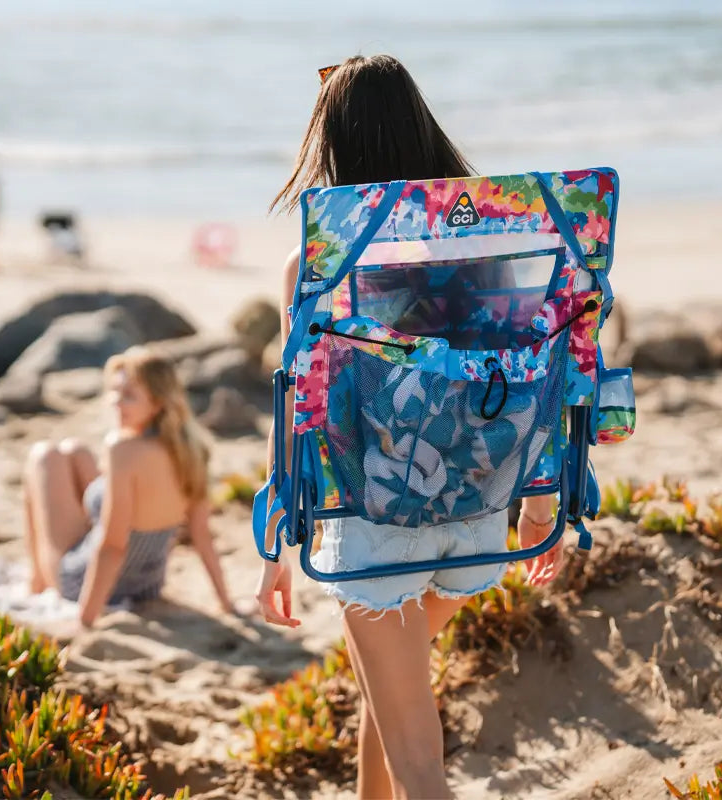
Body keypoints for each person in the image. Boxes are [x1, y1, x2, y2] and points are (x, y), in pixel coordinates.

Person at [255, 55, 564, 800]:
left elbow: (301, 402)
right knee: (389, 693)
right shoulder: (485, 244)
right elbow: (537, 367)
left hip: (376, 523)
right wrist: (541, 502)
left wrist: (275, 544)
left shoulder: (324, 258)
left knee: (420, 761)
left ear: (335, 143)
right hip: (480, 514)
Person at [23, 345, 235, 626]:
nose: (115, 402)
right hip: (147, 585)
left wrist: (85, 620)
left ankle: (38, 580)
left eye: (128, 396)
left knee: (44, 457)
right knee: (74, 451)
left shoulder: (122, 449)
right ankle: (39, 579)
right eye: (114, 391)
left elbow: (113, 546)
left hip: (86, 585)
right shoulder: (193, 451)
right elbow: (201, 534)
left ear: (158, 403)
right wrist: (227, 604)